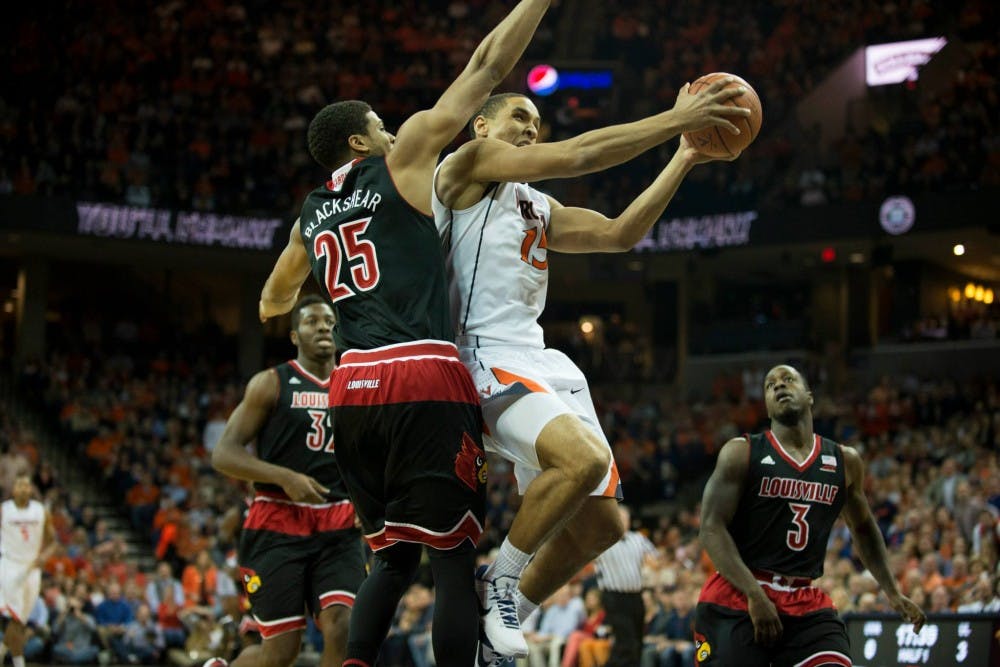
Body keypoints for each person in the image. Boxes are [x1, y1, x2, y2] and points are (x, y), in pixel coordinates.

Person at [256, 2, 553, 665]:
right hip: (421, 369)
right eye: (381, 127)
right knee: (453, 559)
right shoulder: (404, 159)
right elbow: (488, 65)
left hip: (350, 387)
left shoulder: (310, 211)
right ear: (360, 143)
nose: (394, 133)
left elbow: (273, 299)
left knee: (390, 558)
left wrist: (339, 287)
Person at [430, 88, 747, 663]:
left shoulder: (536, 206)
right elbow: (579, 156)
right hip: (480, 353)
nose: (531, 127)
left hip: (539, 359)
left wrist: (684, 155)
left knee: (604, 525)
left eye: (537, 121)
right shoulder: (466, 168)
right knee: (582, 459)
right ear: (480, 126)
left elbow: (620, 233)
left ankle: (502, 624)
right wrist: (677, 116)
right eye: (518, 117)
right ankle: (496, 582)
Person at [695, 365, 926, 666]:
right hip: (738, 594)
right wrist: (754, 593)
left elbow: (865, 529)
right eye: (770, 385)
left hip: (803, 599)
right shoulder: (742, 452)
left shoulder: (844, 460)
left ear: (809, 396)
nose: (779, 386)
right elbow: (711, 528)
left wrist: (893, 592)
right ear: (765, 404)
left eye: (788, 380)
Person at [206, 296, 365, 667]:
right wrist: (284, 477)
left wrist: (368, 502)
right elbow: (224, 453)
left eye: (329, 320)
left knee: (344, 627)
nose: (324, 326)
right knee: (280, 653)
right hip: (278, 522)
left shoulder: (357, 385)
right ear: (294, 335)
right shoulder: (271, 383)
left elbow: (372, 456)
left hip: (338, 526)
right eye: (312, 322)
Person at [0, 475, 57, 667]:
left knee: (20, 621)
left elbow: (53, 541)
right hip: (10, 565)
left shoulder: (41, 511)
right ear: (13, 489)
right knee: (15, 616)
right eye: (19, 485)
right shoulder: (4, 510)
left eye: (27, 485)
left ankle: (6, 653)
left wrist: (45, 555)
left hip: (32, 568)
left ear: (32, 489)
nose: (24, 489)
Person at [592, 505, 658, 667]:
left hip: (636, 597)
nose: (622, 521)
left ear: (629, 521)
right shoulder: (602, 539)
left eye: (625, 518)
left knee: (637, 642)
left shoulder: (638, 538)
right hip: (614, 597)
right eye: (618, 517)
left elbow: (654, 560)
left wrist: (652, 567)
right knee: (627, 643)